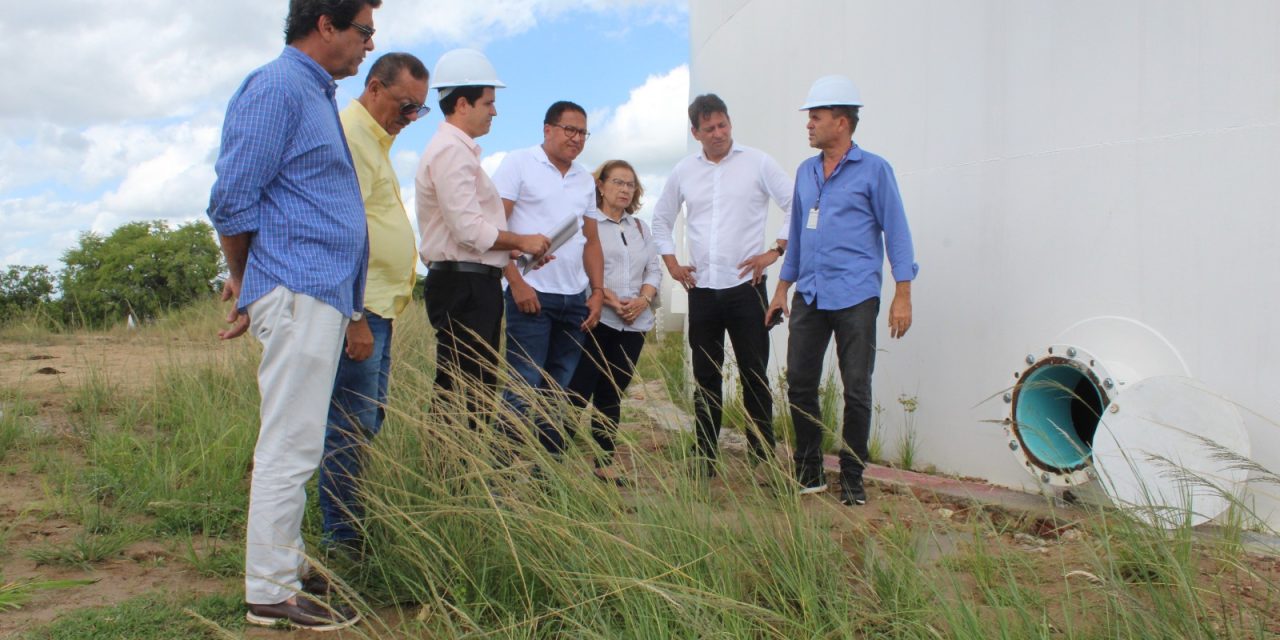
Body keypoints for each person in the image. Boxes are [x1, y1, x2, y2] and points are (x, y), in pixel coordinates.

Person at [206, 0, 380, 630]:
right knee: (292, 440)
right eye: (363, 31)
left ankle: (286, 559)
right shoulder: (278, 86)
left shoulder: (314, 93)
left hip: (319, 292)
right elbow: (231, 197)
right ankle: (269, 590)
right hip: (300, 289)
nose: (368, 45)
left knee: (298, 435)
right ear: (326, 25)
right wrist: (247, 278)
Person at [766, 75, 918, 506]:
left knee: (856, 389)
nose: (808, 125)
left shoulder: (875, 170)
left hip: (856, 296)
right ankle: (809, 469)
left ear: (842, 121)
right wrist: (781, 289)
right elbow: (796, 235)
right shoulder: (805, 172)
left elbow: (898, 233)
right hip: (810, 295)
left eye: (815, 117)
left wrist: (902, 293)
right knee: (799, 384)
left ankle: (852, 475)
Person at [317, 52, 429, 554]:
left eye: (419, 111)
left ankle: (349, 528)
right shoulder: (351, 136)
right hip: (360, 311)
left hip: (380, 309)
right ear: (376, 87)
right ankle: (344, 540)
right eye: (407, 106)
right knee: (350, 424)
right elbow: (342, 232)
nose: (410, 119)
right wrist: (356, 315)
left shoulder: (377, 141)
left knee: (365, 423)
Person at [651, 94, 794, 475]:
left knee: (753, 374)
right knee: (706, 375)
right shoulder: (684, 171)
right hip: (702, 291)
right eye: (709, 128)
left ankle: (761, 457)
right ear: (695, 132)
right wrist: (672, 264)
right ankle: (705, 458)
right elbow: (661, 219)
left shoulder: (758, 163)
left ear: (730, 122)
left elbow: (797, 203)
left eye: (723, 125)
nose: (718, 134)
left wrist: (775, 250)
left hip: (746, 288)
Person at [416, 48, 550, 433]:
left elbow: (473, 232)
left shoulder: (458, 153)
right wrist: (521, 241)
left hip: (472, 282)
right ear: (462, 103)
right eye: (489, 103)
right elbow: (469, 230)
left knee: (473, 386)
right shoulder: (450, 153)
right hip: (464, 285)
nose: (495, 111)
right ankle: (453, 478)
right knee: (464, 388)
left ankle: (460, 476)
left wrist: (517, 249)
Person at [493, 101, 605, 456]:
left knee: (558, 393)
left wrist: (598, 291)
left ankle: (548, 484)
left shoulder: (585, 180)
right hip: (532, 294)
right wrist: (516, 282)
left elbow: (592, 241)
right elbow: (495, 228)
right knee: (522, 387)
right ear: (548, 129)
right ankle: (502, 479)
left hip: (574, 299)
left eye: (582, 132)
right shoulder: (519, 162)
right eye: (569, 129)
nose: (576, 138)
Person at [566, 160, 660, 484]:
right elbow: (579, 265)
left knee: (611, 393)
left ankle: (604, 464)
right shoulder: (587, 224)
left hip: (634, 324)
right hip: (598, 319)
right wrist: (608, 298)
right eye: (618, 182)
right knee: (578, 391)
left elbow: (654, 269)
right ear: (601, 186)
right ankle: (552, 462)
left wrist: (643, 299)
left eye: (630, 184)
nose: (624, 189)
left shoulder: (640, 228)